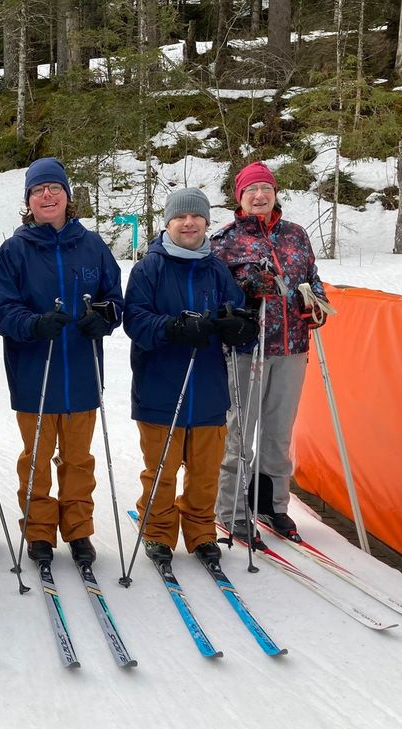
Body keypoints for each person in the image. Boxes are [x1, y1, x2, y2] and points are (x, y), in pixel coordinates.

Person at [0, 157, 123, 565]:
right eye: (37, 190)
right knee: (35, 460)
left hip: (81, 373)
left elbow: (115, 299)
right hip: (35, 374)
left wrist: (103, 318)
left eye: (54, 188)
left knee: (78, 459)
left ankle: (79, 529)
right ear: (28, 200)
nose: (46, 196)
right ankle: (38, 531)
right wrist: (34, 324)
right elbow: (4, 311)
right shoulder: (15, 250)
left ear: (67, 195)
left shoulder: (92, 246)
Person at [122, 188, 258, 566]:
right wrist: (173, 327)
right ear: (168, 223)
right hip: (160, 389)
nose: (188, 223)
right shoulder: (149, 268)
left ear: (206, 223)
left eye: (196, 217)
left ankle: (200, 531)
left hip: (208, 390)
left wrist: (240, 327)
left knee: (204, 472)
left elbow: (236, 312)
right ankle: (158, 530)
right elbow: (135, 321)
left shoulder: (216, 270)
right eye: (180, 217)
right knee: (162, 471)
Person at [213, 161, 329, 542]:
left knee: (278, 433)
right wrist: (245, 289)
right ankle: (231, 509)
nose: (260, 195)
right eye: (251, 190)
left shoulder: (295, 235)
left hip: (292, 347)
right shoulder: (226, 240)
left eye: (266, 188)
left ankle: (272, 503)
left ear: (275, 193)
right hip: (248, 349)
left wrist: (316, 305)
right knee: (239, 433)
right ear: (240, 197)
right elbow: (216, 293)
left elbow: (312, 278)